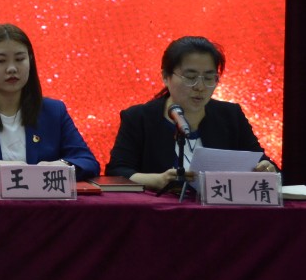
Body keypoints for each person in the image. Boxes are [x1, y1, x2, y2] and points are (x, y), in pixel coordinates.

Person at [106, 35, 277, 191]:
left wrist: (266, 169)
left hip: (220, 211)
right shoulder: (138, 118)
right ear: (165, 76)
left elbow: (263, 163)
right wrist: (157, 180)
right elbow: (117, 172)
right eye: (190, 77)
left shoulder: (231, 116)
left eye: (209, 78)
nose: (200, 87)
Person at [0, 23, 98, 181]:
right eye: (0, 61)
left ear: (30, 61)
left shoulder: (54, 111)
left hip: (42, 197)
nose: (12, 68)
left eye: (20, 59)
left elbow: (88, 162)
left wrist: (62, 165)